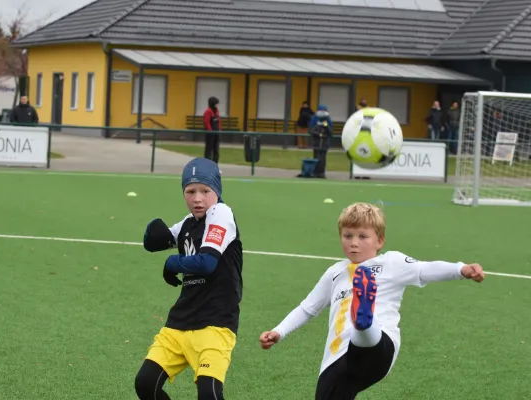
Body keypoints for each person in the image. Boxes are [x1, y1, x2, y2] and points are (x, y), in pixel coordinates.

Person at [259, 202, 485, 400]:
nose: (354, 243)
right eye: (348, 236)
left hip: (379, 345)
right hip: (337, 360)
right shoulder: (335, 273)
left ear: (380, 240)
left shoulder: (391, 262)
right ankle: (362, 320)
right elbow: (307, 308)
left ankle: (364, 320)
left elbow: (425, 269)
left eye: (362, 236)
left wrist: (461, 269)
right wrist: (279, 331)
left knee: (363, 336)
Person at [135, 157, 243, 400]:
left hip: (215, 323)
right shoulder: (188, 223)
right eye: (190, 191)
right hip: (180, 322)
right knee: (146, 384)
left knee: (209, 394)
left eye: (205, 190)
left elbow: (206, 263)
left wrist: (172, 263)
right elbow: (159, 239)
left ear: (217, 191)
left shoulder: (221, 213)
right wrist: (155, 235)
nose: (197, 198)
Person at [308, 104, 333, 179]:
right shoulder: (314, 118)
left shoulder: (328, 119)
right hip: (316, 142)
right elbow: (311, 129)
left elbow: (330, 131)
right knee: (316, 156)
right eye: (321, 110)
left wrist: (325, 126)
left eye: (324, 111)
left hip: (325, 142)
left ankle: (322, 172)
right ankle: (315, 172)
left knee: (323, 157)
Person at [203, 96, 221, 163]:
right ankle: (207, 163)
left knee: (216, 149)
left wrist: (219, 130)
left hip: (216, 133)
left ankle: (215, 163)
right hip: (210, 134)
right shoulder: (208, 111)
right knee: (209, 149)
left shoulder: (217, 111)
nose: (217, 105)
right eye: (216, 103)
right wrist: (210, 131)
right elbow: (206, 122)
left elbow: (218, 121)